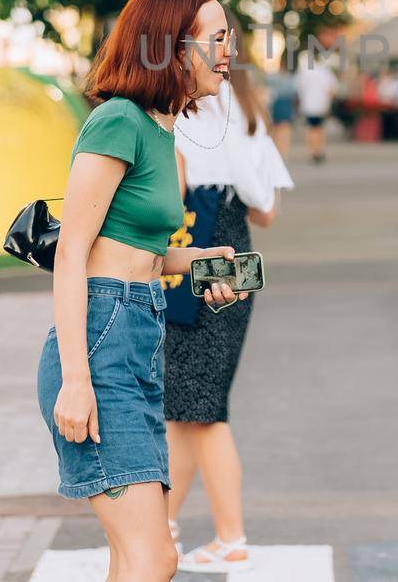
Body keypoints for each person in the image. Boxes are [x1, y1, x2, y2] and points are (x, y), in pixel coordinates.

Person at [38, 0, 249, 582]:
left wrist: (208, 260)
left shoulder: (160, 127)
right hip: (100, 343)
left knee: (134, 557)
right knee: (154, 556)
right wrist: (77, 381)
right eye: (216, 38)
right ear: (171, 46)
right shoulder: (117, 122)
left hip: (136, 337)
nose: (227, 51)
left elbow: (145, 253)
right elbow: (73, 254)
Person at [167, 32, 294, 573]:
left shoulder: (182, 111)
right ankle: (162, 525)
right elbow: (267, 209)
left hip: (192, 247)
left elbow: (167, 197)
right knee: (185, 407)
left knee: (199, 406)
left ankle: (230, 536)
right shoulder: (244, 106)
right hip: (234, 242)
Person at [294, 50, 339, 165]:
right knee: (320, 128)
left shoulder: (304, 71)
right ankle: (319, 150)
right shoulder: (325, 71)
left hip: (309, 104)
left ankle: (313, 151)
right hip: (321, 104)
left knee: (311, 128)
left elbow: (299, 87)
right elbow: (332, 88)